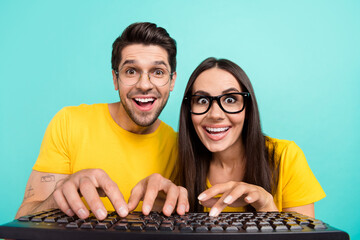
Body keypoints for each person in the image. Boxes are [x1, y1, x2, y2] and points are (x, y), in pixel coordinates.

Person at [15, 22, 189, 220]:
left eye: (158, 72)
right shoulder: (69, 123)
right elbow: (18, 228)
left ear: (172, 80)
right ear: (115, 79)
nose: (144, 85)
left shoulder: (181, 147)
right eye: (131, 71)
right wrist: (59, 197)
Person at [176, 57, 325, 217]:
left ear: (247, 109)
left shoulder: (286, 157)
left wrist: (267, 207)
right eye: (202, 100)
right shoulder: (177, 159)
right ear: (189, 110)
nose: (215, 114)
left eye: (230, 99)